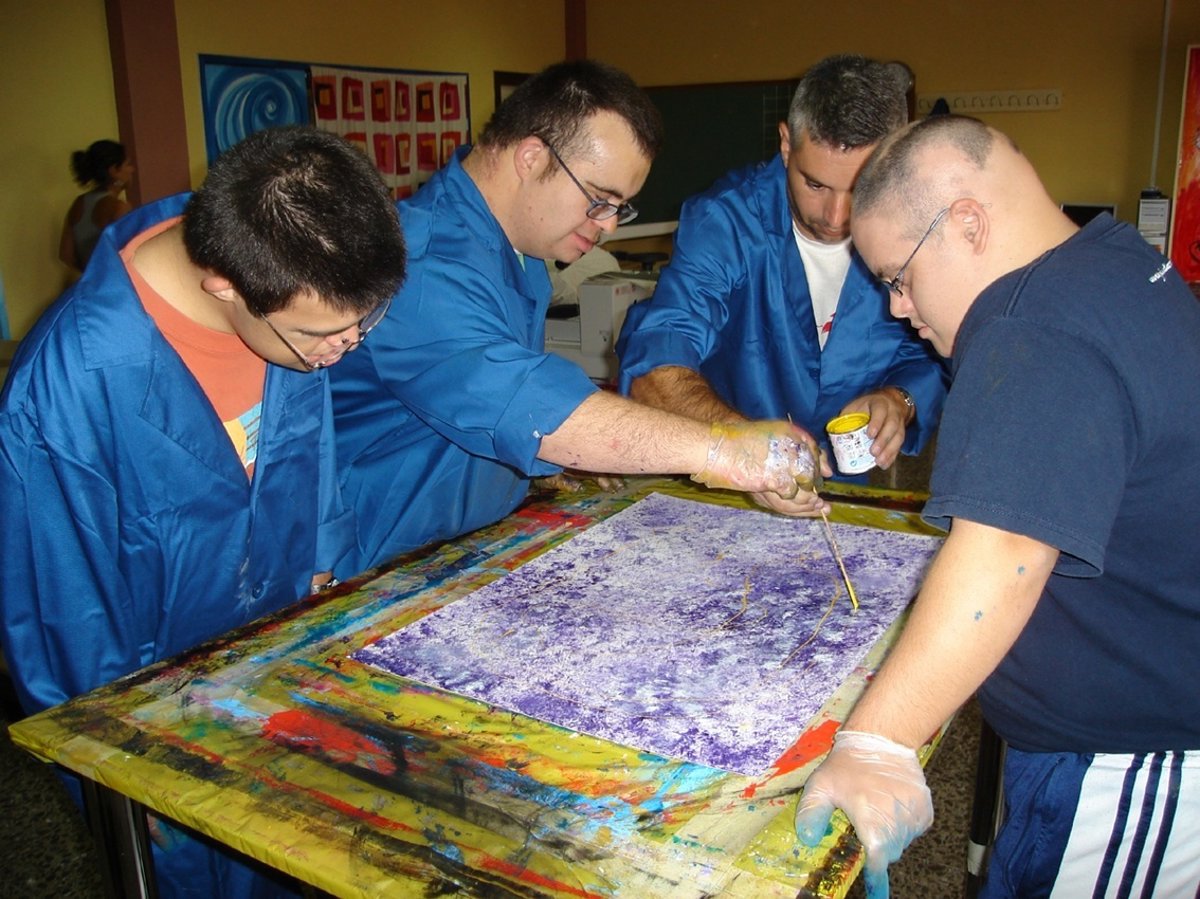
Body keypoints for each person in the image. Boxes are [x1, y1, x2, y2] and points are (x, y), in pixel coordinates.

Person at [793, 114, 1200, 898]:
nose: (899, 307)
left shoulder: (1030, 326)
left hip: (1136, 760)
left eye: (898, 277)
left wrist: (879, 739)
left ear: (968, 224)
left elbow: (1006, 550)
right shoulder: (1109, 260)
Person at [0, 126, 407, 898]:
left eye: (364, 321)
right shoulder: (71, 382)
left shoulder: (291, 292)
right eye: (325, 335)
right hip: (163, 722)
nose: (345, 349)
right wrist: (114, 754)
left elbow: (311, 460)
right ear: (224, 283)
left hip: (282, 681)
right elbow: (60, 613)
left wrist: (323, 569)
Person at [329, 59, 827, 580]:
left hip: (457, 549)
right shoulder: (422, 263)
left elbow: (466, 409)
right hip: (373, 567)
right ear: (531, 157)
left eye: (620, 207)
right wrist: (726, 451)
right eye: (599, 199)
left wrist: (539, 468)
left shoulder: (513, 249)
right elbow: (529, 407)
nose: (609, 225)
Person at [615, 54, 948, 503]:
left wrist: (900, 398)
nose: (836, 217)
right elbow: (658, 360)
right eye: (815, 185)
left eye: (860, 188)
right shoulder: (725, 222)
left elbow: (932, 351)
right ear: (787, 145)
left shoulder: (917, 229)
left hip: (844, 486)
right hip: (727, 479)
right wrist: (741, 448)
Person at [59, 138, 135, 271]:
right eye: (127, 164)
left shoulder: (78, 203)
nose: (132, 169)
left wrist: (91, 273)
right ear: (114, 170)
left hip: (91, 280)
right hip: (115, 280)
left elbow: (66, 255)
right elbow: (130, 255)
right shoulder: (119, 208)